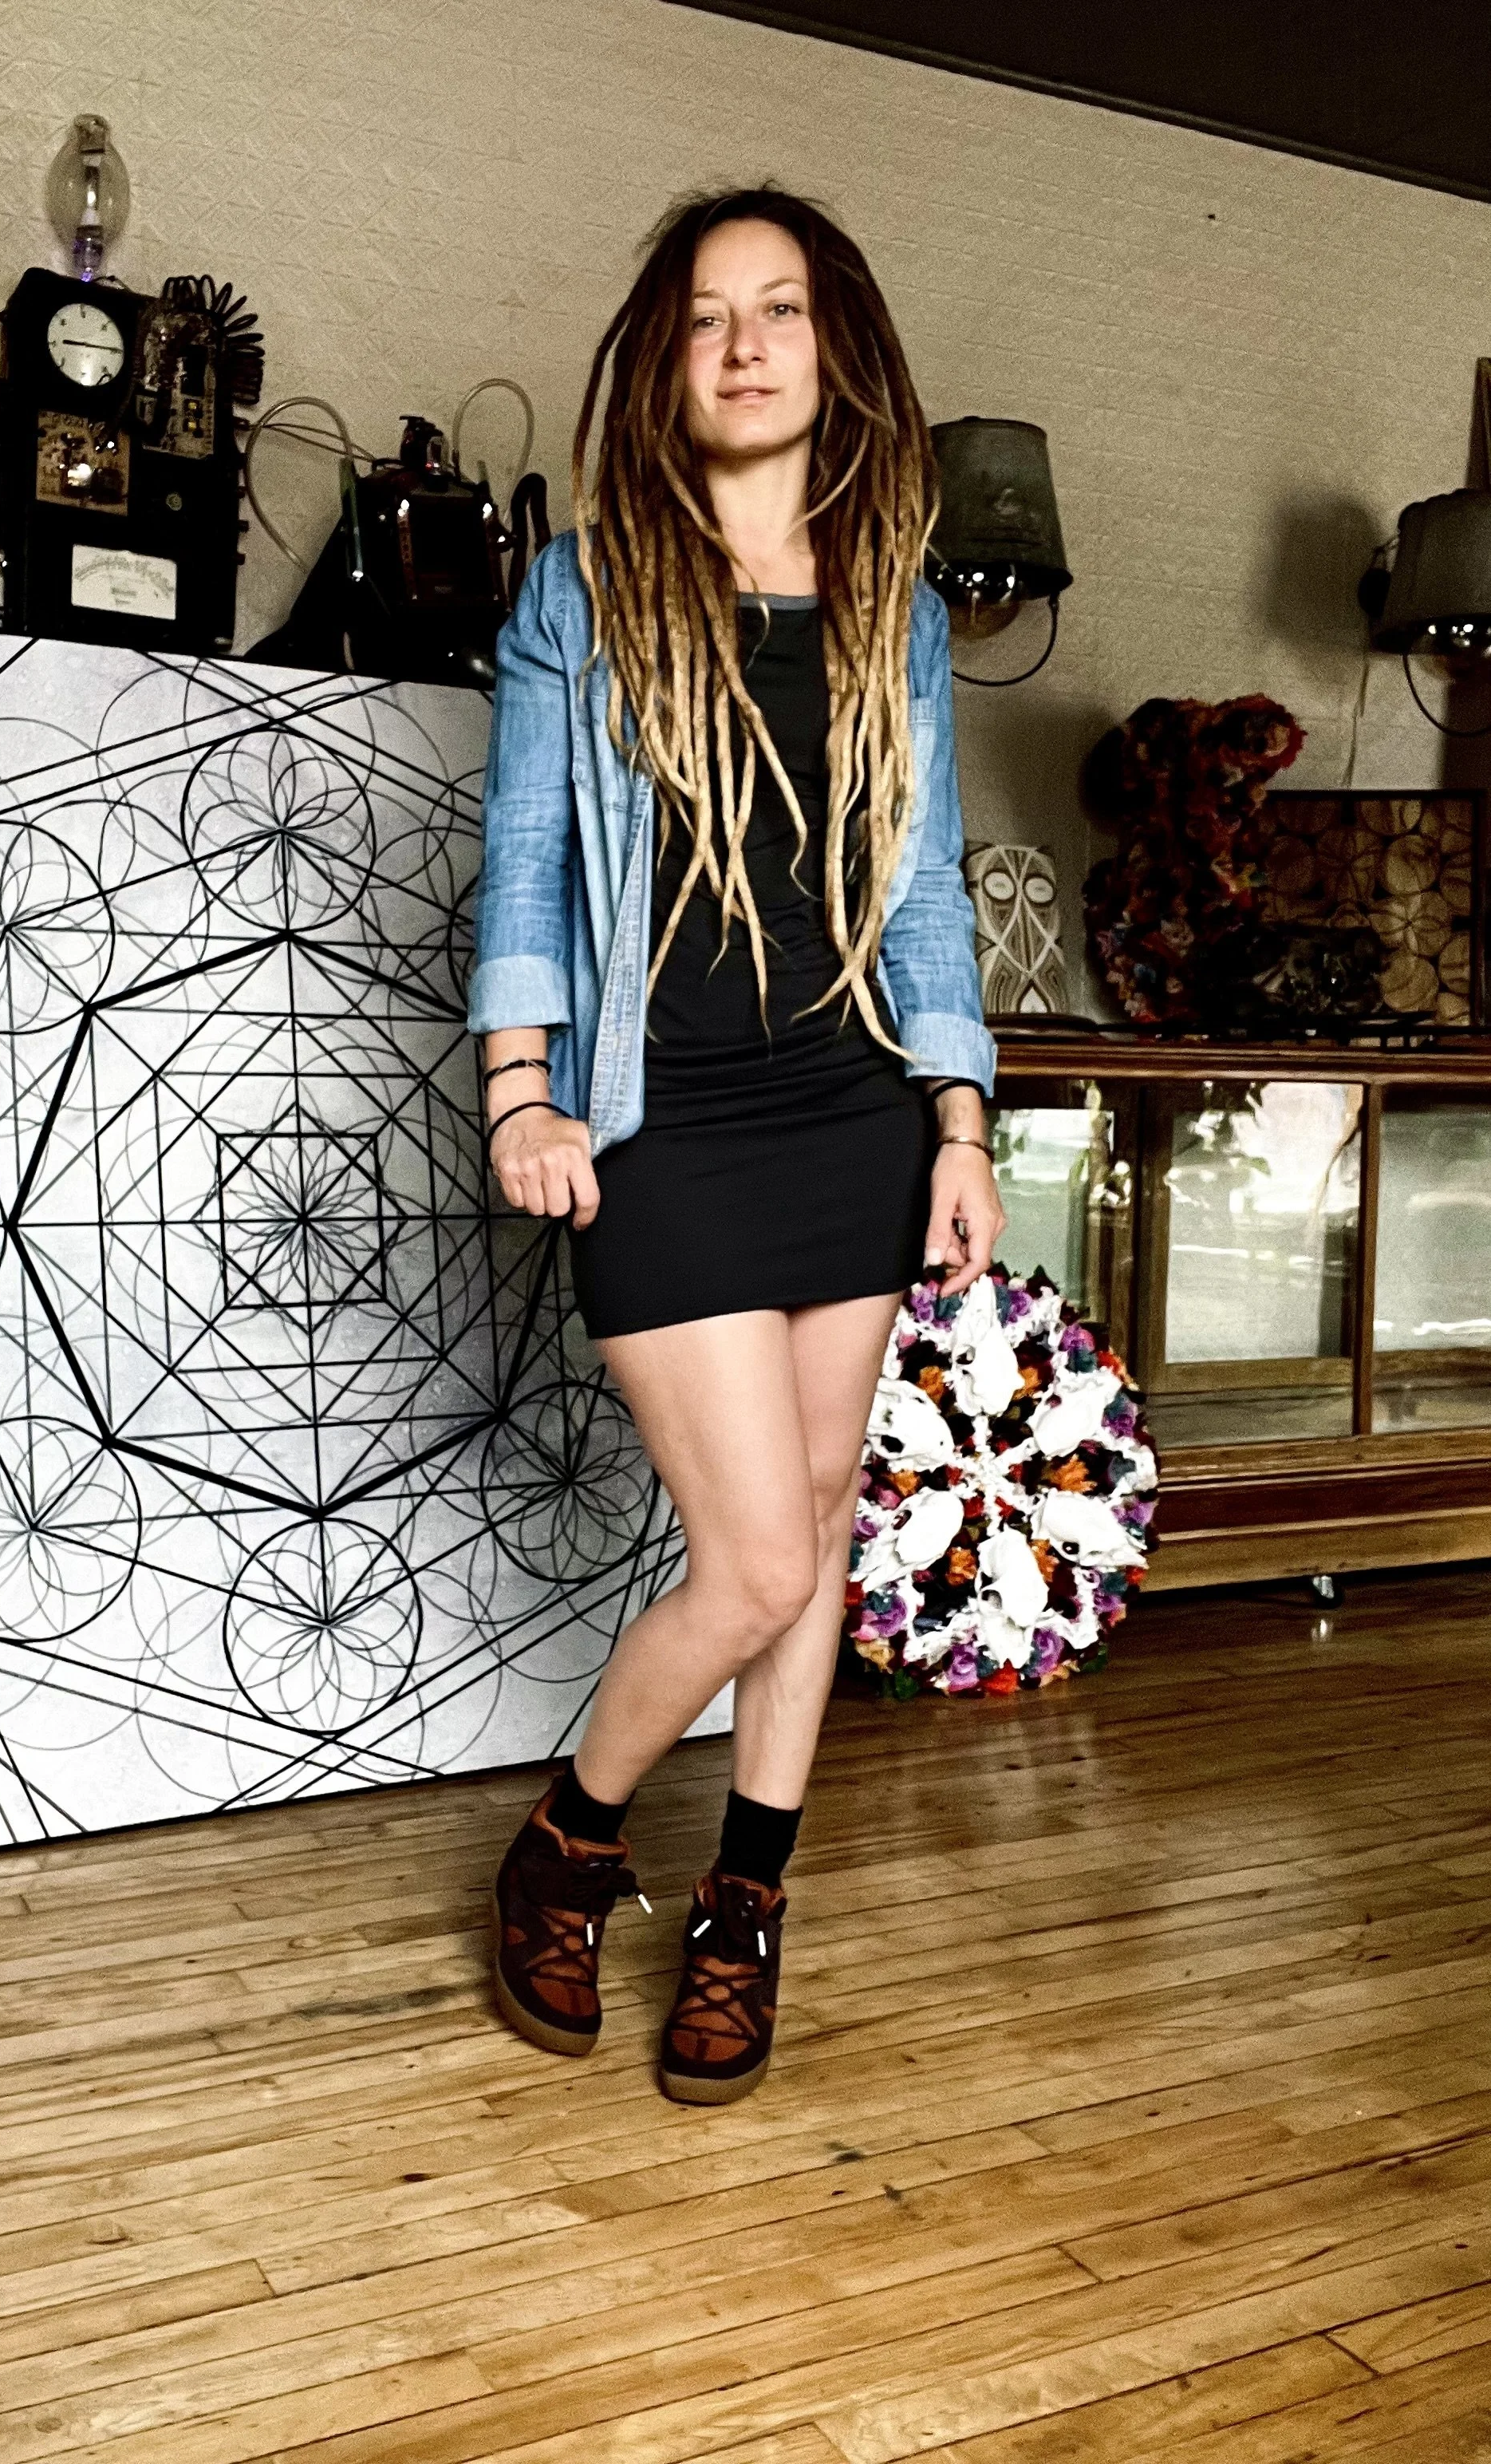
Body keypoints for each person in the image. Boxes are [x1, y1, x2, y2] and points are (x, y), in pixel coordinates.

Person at [467, 186, 1004, 2105]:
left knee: (822, 1534)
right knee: (760, 1554)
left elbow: (922, 882)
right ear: (668, 359)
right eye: (708, 315)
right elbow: (524, 851)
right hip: (665, 1117)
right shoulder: (588, 584)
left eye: (781, 309)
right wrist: (520, 1089)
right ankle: (572, 1839)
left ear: (835, 347)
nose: (746, 342)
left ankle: (744, 1906)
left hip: (851, 1107)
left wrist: (955, 1114)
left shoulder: (895, 600)